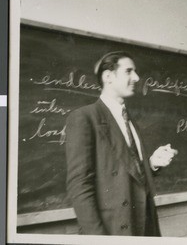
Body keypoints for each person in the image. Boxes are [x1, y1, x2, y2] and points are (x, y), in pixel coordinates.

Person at [65, 51, 177, 236]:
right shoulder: (85, 117)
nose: (137, 77)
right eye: (129, 71)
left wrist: (151, 164)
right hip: (113, 230)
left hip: (144, 226)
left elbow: (128, 174)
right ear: (108, 76)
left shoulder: (130, 120)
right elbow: (79, 186)